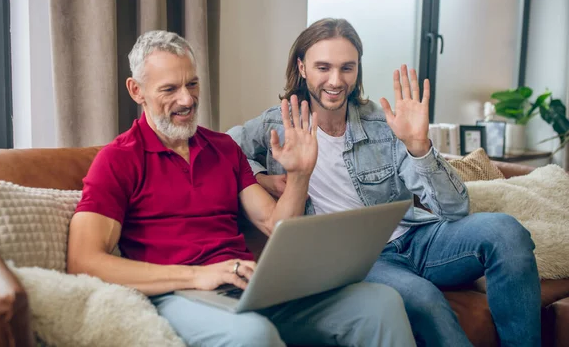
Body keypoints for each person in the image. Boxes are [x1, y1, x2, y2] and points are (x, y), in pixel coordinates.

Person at [67, 30, 415, 347]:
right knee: (253, 335)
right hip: (176, 294)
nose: (187, 100)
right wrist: (198, 276)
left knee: (379, 303)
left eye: (192, 84)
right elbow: (84, 261)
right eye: (170, 89)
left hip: (248, 287)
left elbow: (275, 226)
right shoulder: (117, 160)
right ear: (136, 91)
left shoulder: (223, 149)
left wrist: (299, 175)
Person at [228, 18, 541, 347]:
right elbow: (226, 149)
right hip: (361, 258)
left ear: (357, 70)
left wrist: (420, 147)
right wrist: (263, 179)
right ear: (302, 67)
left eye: (347, 68)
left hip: (418, 237)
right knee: (422, 297)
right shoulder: (276, 123)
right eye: (323, 67)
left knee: (507, 232)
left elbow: (455, 209)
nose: (336, 81)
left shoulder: (381, 123)